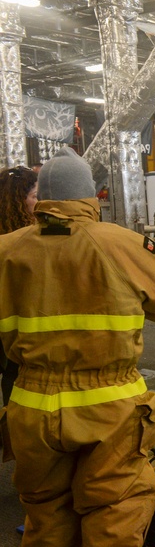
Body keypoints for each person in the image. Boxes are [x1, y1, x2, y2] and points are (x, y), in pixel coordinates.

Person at [0, 146, 155, 547]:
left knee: (43, 499)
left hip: (31, 402)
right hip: (109, 403)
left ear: (41, 199)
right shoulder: (120, 242)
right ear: (91, 196)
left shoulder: (7, 249)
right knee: (115, 499)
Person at [0, 166, 38, 406]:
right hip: (15, 329)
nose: (41, 203)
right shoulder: (23, 242)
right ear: (18, 200)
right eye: (35, 196)